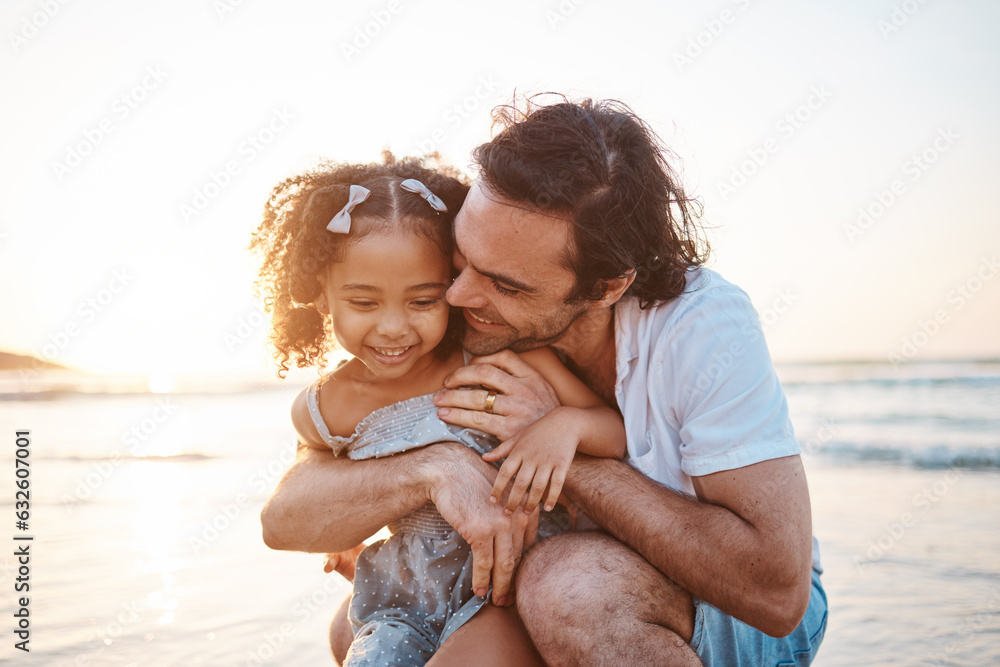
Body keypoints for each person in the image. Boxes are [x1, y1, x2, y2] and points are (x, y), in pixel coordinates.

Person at [261, 97, 828, 666]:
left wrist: (554, 449)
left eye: (504, 285)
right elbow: (291, 508)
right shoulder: (451, 318)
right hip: (563, 581)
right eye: (460, 260)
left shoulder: (703, 328)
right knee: (357, 626)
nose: (457, 298)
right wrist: (430, 471)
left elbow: (776, 596)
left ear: (607, 287)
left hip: (726, 611)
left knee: (566, 589)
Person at [250, 154, 626, 666]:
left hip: (503, 587)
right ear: (322, 298)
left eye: (422, 301)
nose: (393, 328)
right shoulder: (324, 408)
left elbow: (617, 433)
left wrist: (565, 425)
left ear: (451, 288)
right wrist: (338, 538)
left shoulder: (502, 360)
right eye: (364, 303)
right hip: (398, 598)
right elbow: (316, 490)